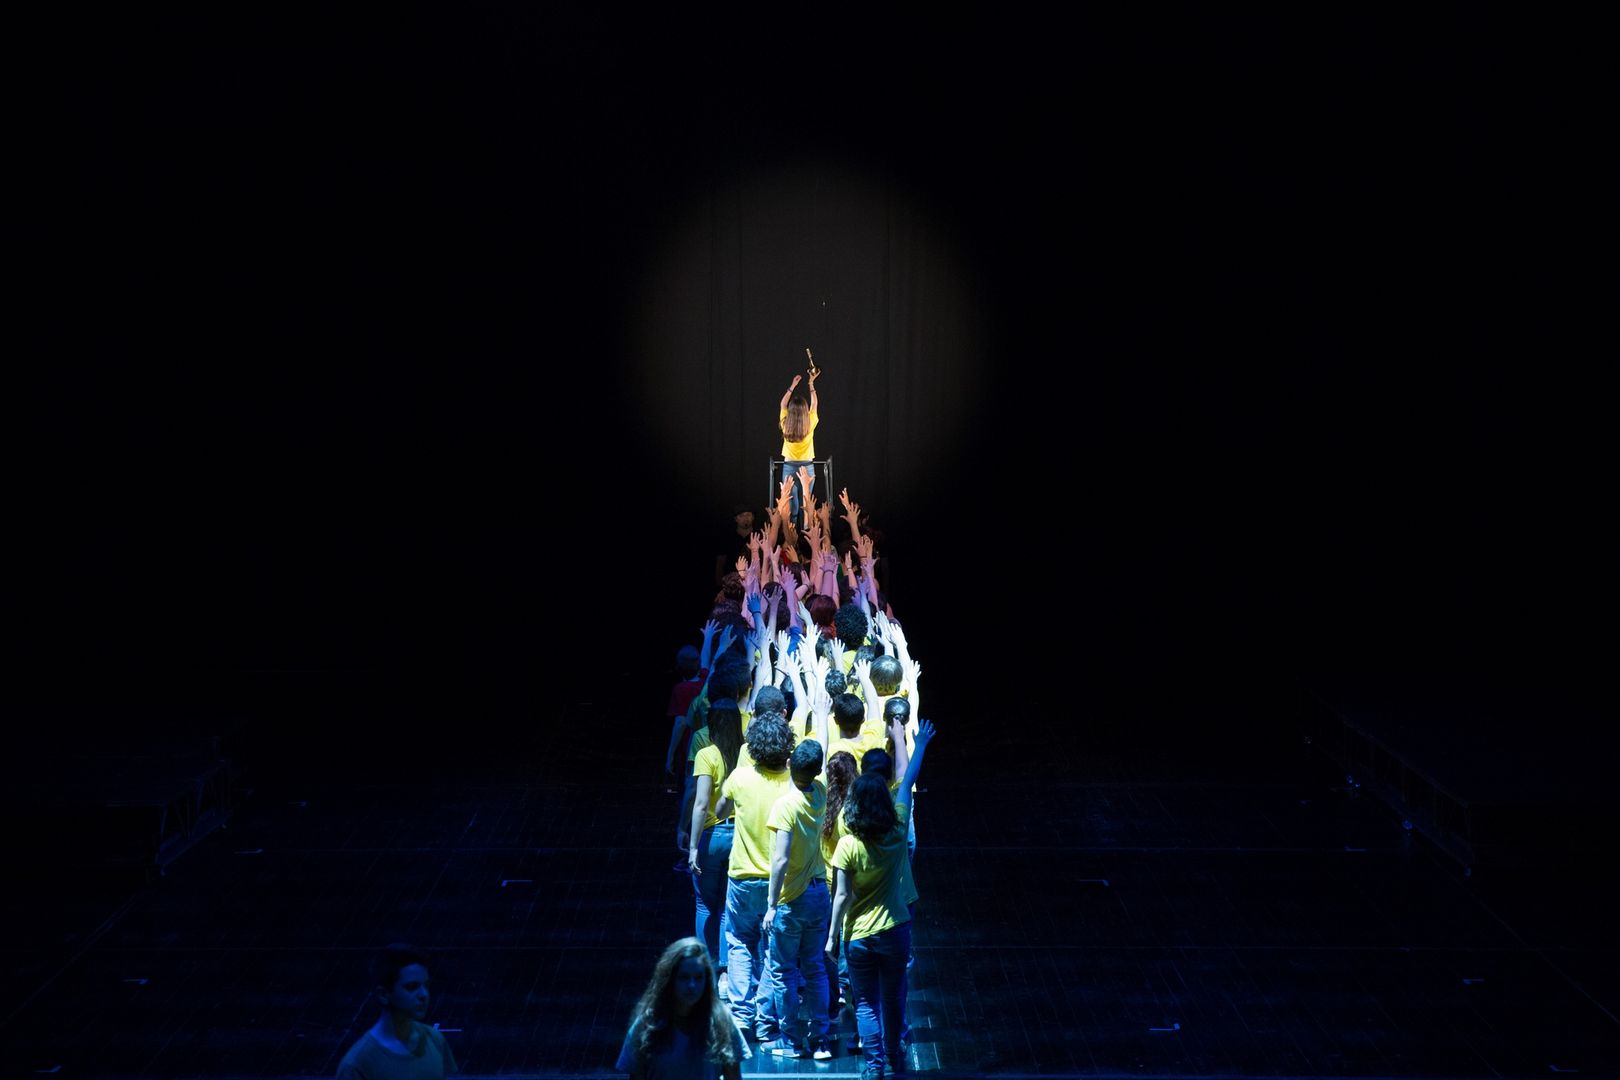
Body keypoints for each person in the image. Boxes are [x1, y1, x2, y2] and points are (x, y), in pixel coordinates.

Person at [827, 719, 936, 1080]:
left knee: (866, 1004)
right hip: (895, 930)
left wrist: (832, 938)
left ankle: (873, 1067)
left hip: (858, 936)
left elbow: (842, 895)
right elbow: (905, 781)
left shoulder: (848, 843)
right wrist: (918, 744)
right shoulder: (898, 829)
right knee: (892, 999)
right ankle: (892, 1059)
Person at [713, 716, 795, 1041]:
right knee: (775, 950)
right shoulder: (794, 783)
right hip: (781, 883)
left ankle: (741, 1015)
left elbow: (720, 812)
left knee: (739, 942)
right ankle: (764, 1019)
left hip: (742, 878)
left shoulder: (740, 777)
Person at [759, 739, 833, 1059]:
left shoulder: (785, 806)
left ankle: (790, 1041)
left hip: (792, 899)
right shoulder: (820, 792)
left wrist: (771, 904)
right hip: (819, 892)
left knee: (784, 971)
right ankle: (820, 1040)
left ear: (789, 763)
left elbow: (780, 859)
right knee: (814, 968)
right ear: (816, 771)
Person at [617, 938, 749, 1080]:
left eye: (698, 978)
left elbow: (733, 1076)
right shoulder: (648, 1024)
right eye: (684, 977)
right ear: (670, 979)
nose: (692, 985)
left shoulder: (721, 1021)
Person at [336, 944, 458, 1079]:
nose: (424, 994)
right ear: (383, 994)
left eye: (426, 985)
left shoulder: (435, 1039)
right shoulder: (358, 1063)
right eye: (412, 987)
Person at [687, 697, 744, 975]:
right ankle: (725, 967)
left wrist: (692, 847)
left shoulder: (706, 755)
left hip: (712, 836)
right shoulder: (745, 753)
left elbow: (700, 804)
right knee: (726, 905)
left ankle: (705, 967)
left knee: (704, 904)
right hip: (739, 837)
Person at [778, 370, 819, 525]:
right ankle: (806, 534)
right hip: (807, 467)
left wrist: (792, 386)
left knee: (793, 507)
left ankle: (792, 535)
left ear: (791, 411)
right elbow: (814, 404)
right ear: (804, 411)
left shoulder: (785, 423)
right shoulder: (810, 422)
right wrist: (811, 383)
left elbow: (783, 404)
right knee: (806, 505)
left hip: (789, 466)